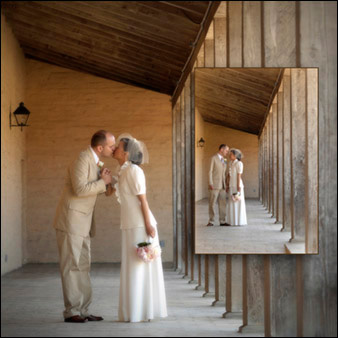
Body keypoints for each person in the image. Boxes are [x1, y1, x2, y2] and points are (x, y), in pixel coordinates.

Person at [53, 130, 115, 323]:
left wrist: (108, 185)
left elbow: (96, 189)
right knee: (71, 266)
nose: (113, 149)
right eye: (111, 146)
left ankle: (84, 310)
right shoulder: (82, 159)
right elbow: (80, 189)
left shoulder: (96, 160)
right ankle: (71, 311)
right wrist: (102, 182)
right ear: (100, 147)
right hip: (71, 221)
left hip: (84, 223)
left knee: (83, 266)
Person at [110, 134, 167, 323]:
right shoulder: (122, 170)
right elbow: (112, 192)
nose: (114, 150)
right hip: (129, 223)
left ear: (126, 153)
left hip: (141, 224)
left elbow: (142, 199)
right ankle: (132, 311)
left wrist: (149, 225)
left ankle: (141, 312)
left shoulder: (134, 171)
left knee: (139, 266)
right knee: (131, 266)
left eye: (118, 147)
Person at [206, 144, 230, 226]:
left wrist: (226, 184)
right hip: (214, 185)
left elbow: (225, 173)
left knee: (223, 203)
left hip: (222, 185)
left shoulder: (225, 160)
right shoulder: (213, 158)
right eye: (226, 150)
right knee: (212, 203)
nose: (227, 152)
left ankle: (222, 221)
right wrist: (210, 183)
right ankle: (211, 221)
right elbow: (209, 171)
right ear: (221, 150)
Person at [226, 149, 247, 226]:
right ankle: (232, 221)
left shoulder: (239, 163)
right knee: (231, 202)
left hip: (237, 185)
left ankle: (239, 221)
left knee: (237, 201)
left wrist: (238, 186)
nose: (229, 155)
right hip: (231, 185)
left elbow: (239, 175)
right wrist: (227, 185)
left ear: (235, 156)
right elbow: (228, 175)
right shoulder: (230, 163)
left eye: (231, 154)